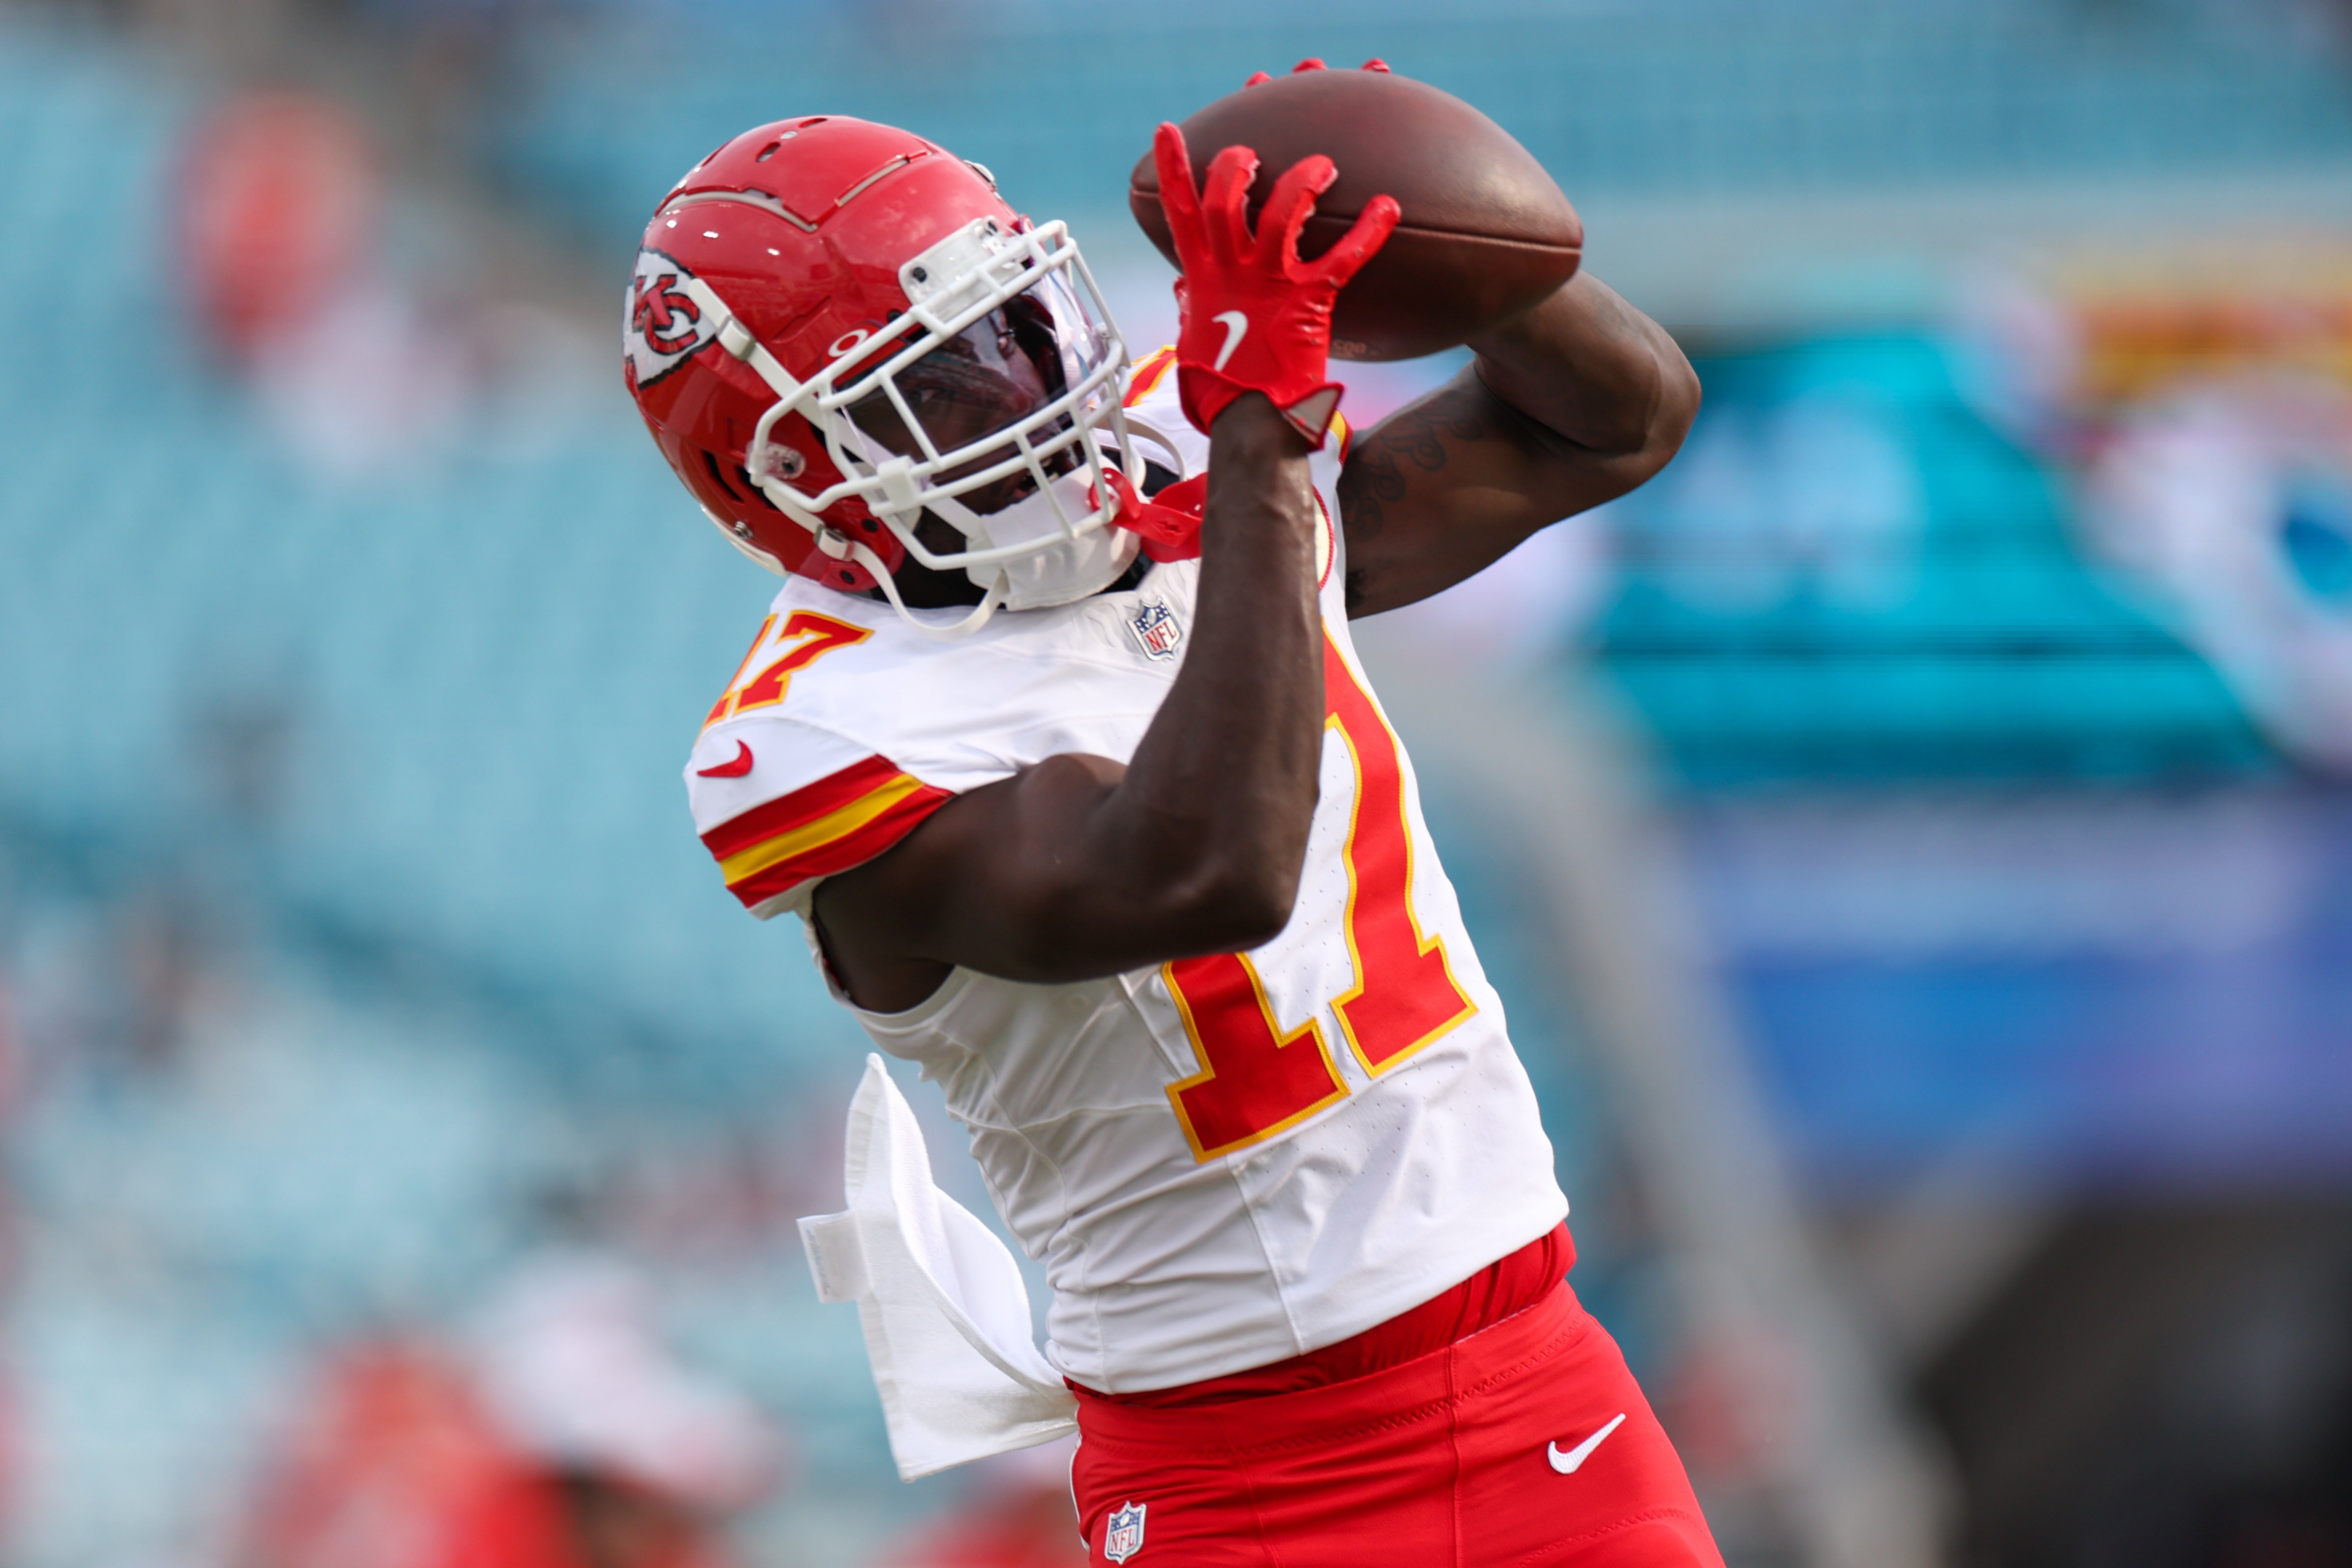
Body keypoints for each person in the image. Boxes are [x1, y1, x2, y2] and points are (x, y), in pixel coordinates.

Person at [627, 66, 1710, 1567]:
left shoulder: (1175, 448)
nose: (1029, 388)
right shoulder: (823, 731)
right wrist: (1264, 432)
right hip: (1245, 1473)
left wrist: (1421, 227)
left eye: (1019, 323)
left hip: (1536, 1365)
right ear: (800, 471)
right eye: (943, 380)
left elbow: (1615, 422)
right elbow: (1213, 868)